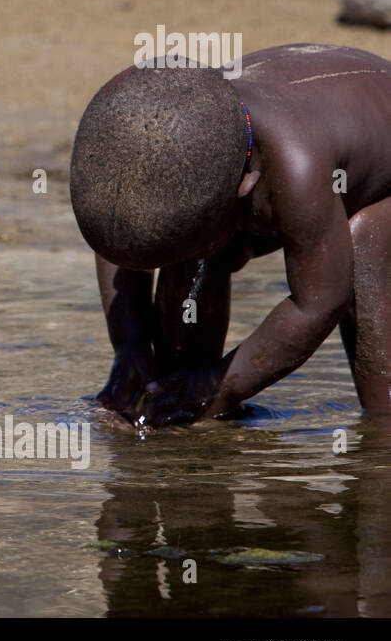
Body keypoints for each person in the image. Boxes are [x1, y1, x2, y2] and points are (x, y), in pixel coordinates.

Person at [69, 45, 391, 429]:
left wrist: (219, 387)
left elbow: (319, 303)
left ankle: (381, 434)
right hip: (268, 158)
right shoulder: (169, 146)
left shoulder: (296, 165)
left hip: (379, 179)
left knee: (362, 258)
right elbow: (121, 237)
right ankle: (178, 404)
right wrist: (130, 348)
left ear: (246, 184)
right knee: (189, 255)